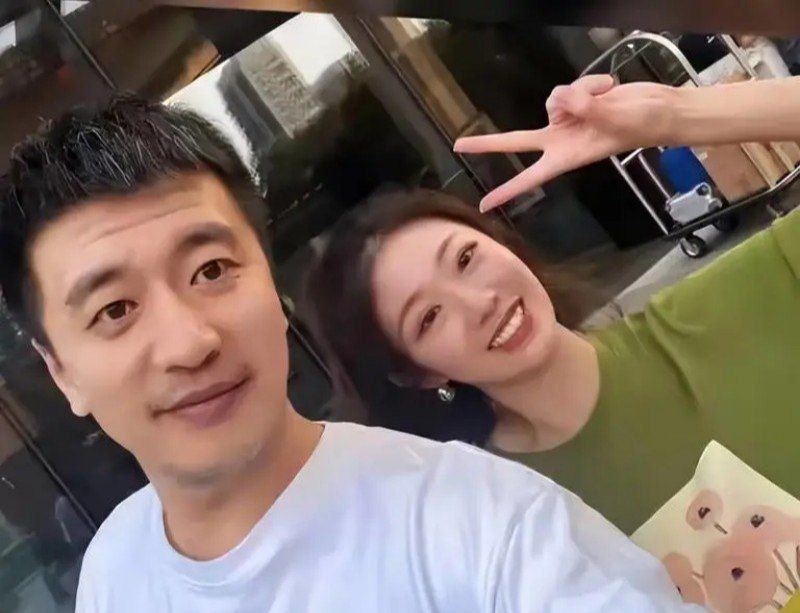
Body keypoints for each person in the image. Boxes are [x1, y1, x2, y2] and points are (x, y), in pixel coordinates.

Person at [0, 95, 693, 611]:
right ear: (63, 373)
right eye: (115, 310)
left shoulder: (490, 533)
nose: (190, 342)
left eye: (211, 270)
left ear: (274, 288)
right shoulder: (116, 569)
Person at [303, 75, 800, 534]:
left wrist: (672, 115)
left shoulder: (715, 316)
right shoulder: (497, 525)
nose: (479, 303)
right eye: (429, 317)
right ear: (418, 373)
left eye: (466, 258)